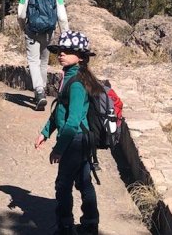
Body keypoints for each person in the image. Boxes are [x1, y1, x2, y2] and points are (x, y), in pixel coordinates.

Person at [35, 30, 101, 235]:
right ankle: (90, 224)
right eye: (60, 50)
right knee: (83, 181)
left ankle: (65, 226)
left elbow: (71, 122)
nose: (61, 54)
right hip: (83, 139)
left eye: (67, 50)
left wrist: (59, 149)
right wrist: (45, 132)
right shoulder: (71, 77)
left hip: (75, 140)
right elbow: (59, 111)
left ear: (80, 56)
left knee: (63, 185)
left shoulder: (77, 83)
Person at [17, 0, 70, 110]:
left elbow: (21, 14)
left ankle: (39, 92)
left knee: (33, 61)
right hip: (48, 31)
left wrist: (24, 28)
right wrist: (65, 37)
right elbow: (62, 17)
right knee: (43, 61)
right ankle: (41, 91)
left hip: (31, 30)